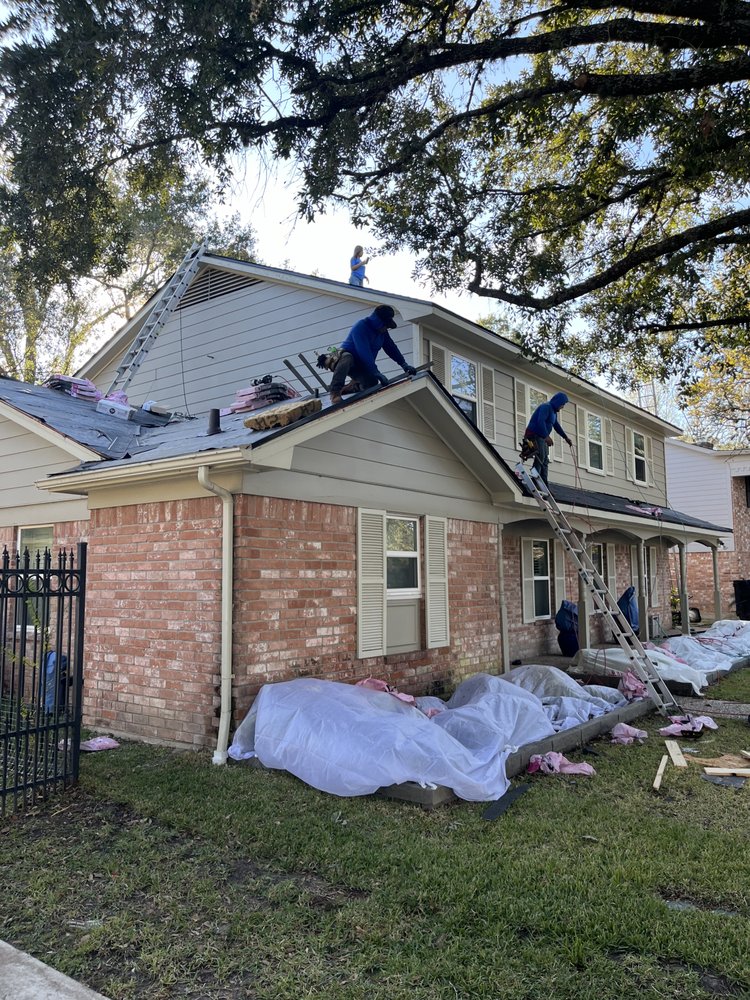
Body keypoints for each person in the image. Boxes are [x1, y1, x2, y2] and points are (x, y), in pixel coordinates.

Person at [327, 305, 416, 405]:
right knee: (348, 358)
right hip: (343, 360)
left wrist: (403, 364)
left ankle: (353, 386)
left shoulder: (382, 333)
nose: (386, 328)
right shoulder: (361, 326)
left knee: (372, 382)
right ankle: (335, 392)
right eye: (385, 325)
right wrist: (375, 371)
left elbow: (391, 348)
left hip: (360, 365)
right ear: (378, 321)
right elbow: (363, 351)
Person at [522, 391, 573, 486]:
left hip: (541, 437)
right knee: (541, 457)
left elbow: (556, 426)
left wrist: (565, 437)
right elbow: (540, 421)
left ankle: (544, 484)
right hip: (533, 435)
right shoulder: (546, 407)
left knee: (545, 460)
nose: (562, 407)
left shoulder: (553, 413)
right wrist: (546, 436)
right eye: (562, 404)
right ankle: (534, 480)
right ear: (557, 402)